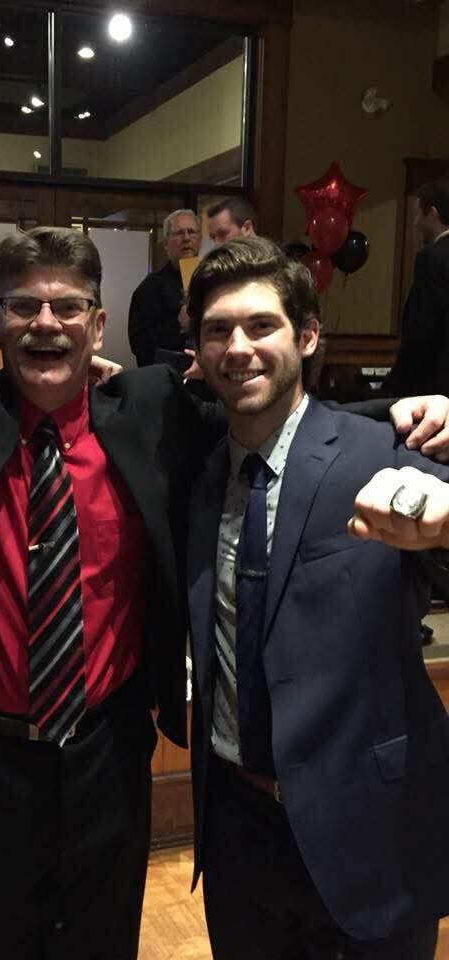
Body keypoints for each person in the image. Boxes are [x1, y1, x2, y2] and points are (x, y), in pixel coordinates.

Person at [0, 227, 449, 960]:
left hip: (109, 757)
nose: (46, 323)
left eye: (69, 307)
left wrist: (405, 413)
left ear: (98, 325)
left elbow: (270, 413)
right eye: (24, 306)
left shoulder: (151, 411)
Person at [185, 235, 449, 959]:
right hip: (238, 828)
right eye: (218, 330)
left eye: (260, 325)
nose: (239, 348)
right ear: (198, 352)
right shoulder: (194, 474)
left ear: (306, 336)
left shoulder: (389, 454)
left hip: (372, 824)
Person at [383, 179, 449, 397]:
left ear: (433, 214)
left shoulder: (432, 258)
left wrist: (394, 387)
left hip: (434, 386)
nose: (416, 223)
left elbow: (421, 329)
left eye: (419, 213)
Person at [128, 208, 201, 367]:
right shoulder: (149, 288)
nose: (186, 238)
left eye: (191, 232)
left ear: (200, 240)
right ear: (166, 244)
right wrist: (178, 325)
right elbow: (139, 346)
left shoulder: (211, 281)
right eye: (179, 233)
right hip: (167, 375)